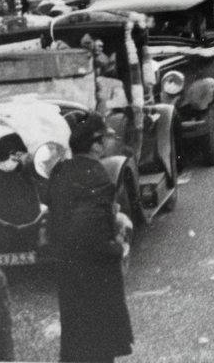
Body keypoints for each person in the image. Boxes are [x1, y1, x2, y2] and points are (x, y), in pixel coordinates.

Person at [47, 113, 134, 362]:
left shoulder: (61, 169)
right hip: (94, 276)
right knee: (99, 346)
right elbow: (87, 231)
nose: (107, 144)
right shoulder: (97, 173)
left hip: (67, 271)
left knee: (76, 343)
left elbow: (61, 213)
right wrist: (117, 248)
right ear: (96, 144)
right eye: (104, 140)